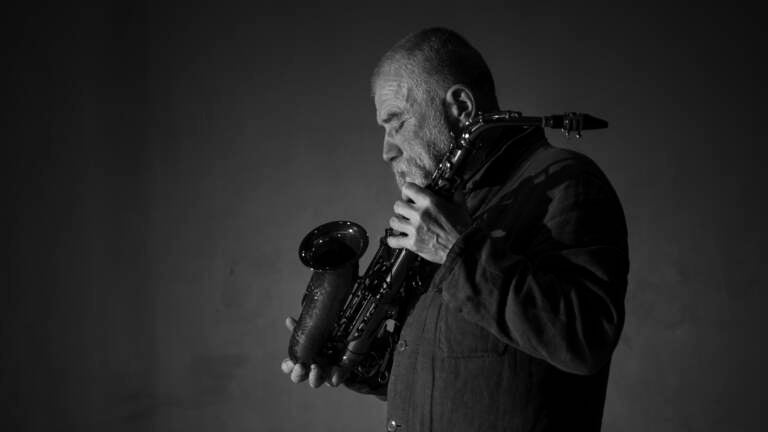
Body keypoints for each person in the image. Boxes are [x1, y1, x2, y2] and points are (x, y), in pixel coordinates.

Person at [281, 27, 629, 432]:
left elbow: (586, 340)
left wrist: (456, 251)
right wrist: (356, 361)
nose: (387, 150)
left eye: (397, 123)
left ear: (461, 108)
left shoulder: (567, 184)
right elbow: (454, 375)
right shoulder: (444, 211)